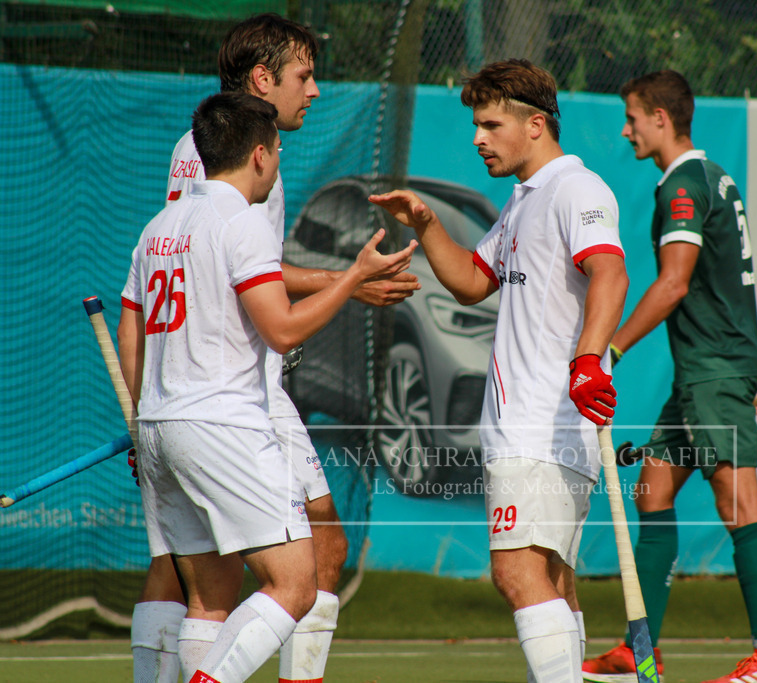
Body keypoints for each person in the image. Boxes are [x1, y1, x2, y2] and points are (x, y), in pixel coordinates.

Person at [131, 14, 420, 683]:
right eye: (303, 76)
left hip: (204, 395)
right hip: (232, 394)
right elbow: (233, 263)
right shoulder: (225, 158)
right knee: (267, 571)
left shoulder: (231, 151)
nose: (314, 91)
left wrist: (345, 282)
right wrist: (347, 281)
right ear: (262, 79)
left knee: (248, 566)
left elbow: (198, 276)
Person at [369, 59, 628, 683]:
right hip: (540, 429)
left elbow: (611, 273)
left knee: (516, 574)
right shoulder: (523, 200)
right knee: (554, 584)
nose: (477, 138)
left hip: (541, 425)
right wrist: (428, 223)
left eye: (490, 125)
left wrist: (588, 360)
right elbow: (470, 281)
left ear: (535, 124)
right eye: (475, 125)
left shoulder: (576, 189)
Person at [581, 70, 757, 683]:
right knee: (652, 490)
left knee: (739, 502)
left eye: (632, 118)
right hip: (707, 372)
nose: (625, 131)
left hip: (713, 368)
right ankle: (639, 650)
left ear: (660, 118)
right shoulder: (711, 176)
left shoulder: (684, 184)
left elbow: (674, 283)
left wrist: (609, 351)